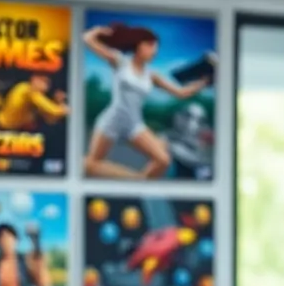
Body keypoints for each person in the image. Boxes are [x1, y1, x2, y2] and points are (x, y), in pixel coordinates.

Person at [83, 23, 211, 179]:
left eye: (156, 47)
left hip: (134, 124)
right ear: (138, 45)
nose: (154, 51)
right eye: (150, 45)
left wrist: (203, 82)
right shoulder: (120, 61)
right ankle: (135, 180)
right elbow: (87, 39)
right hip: (113, 120)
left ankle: (138, 184)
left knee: (163, 161)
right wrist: (99, 31)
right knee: (90, 165)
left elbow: (181, 93)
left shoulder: (152, 75)